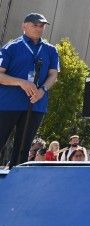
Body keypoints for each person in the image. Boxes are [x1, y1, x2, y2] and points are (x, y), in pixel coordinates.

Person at [0, 13, 60, 167]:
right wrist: (21, 82)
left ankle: (16, 182)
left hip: (35, 105)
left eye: (42, 26)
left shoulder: (50, 50)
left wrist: (43, 90)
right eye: (35, 25)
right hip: (8, 104)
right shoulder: (11, 47)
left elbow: (53, 74)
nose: (39, 28)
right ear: (24, 26)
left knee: (23, 148)